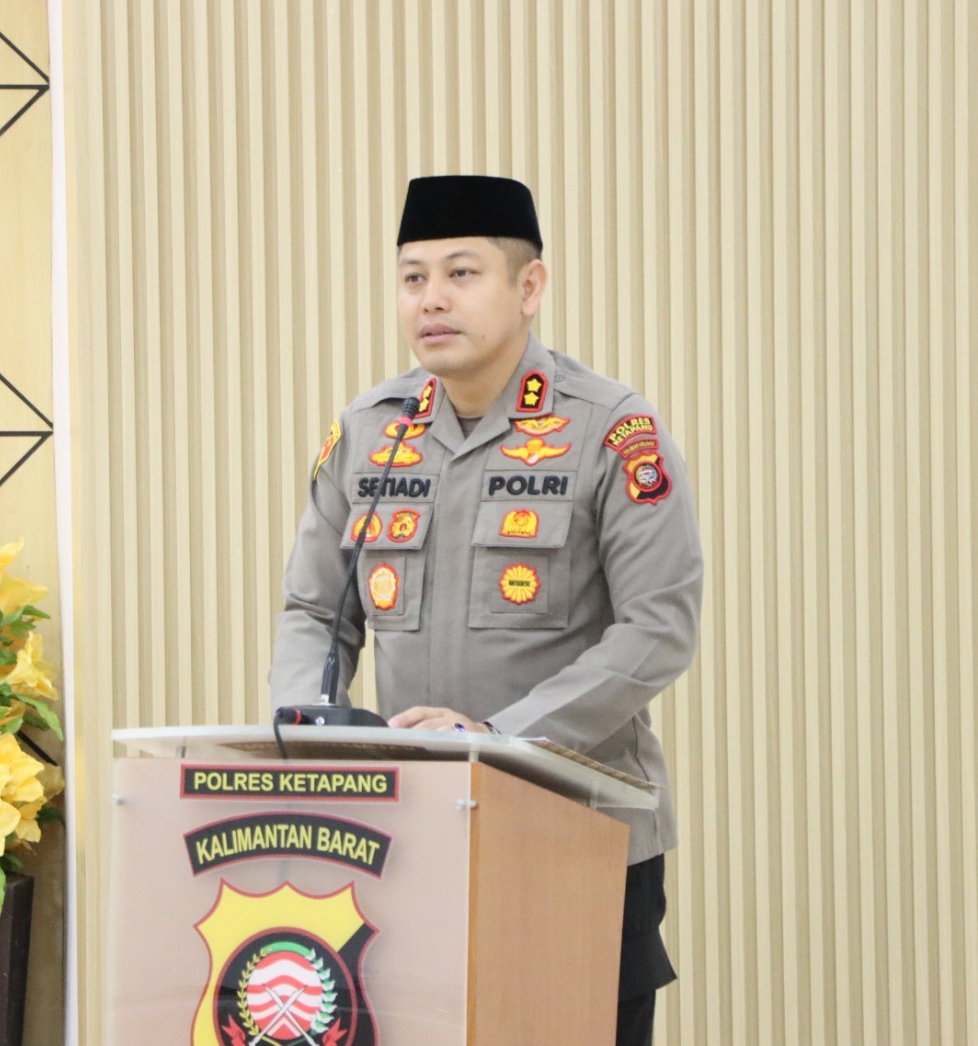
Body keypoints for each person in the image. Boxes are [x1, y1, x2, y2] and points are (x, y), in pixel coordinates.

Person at [268, 174, 703, 1045]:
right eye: (413, 278)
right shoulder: (371, 432)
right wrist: (307, 731)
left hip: (576, 835)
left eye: (461, 274)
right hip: (410, 831)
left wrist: (500, 739)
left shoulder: (609, 429)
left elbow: (658, 628)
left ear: (529, 286)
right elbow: (314, 609)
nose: (431, 299)